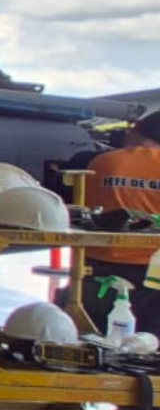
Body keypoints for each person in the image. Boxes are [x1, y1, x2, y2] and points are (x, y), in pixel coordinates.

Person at [82, 112, 160, 335]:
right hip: (154, 269)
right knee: (150, 340)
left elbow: (81, 209)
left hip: (99, 265)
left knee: (93, 334)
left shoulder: (102, 162)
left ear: (135, 130)